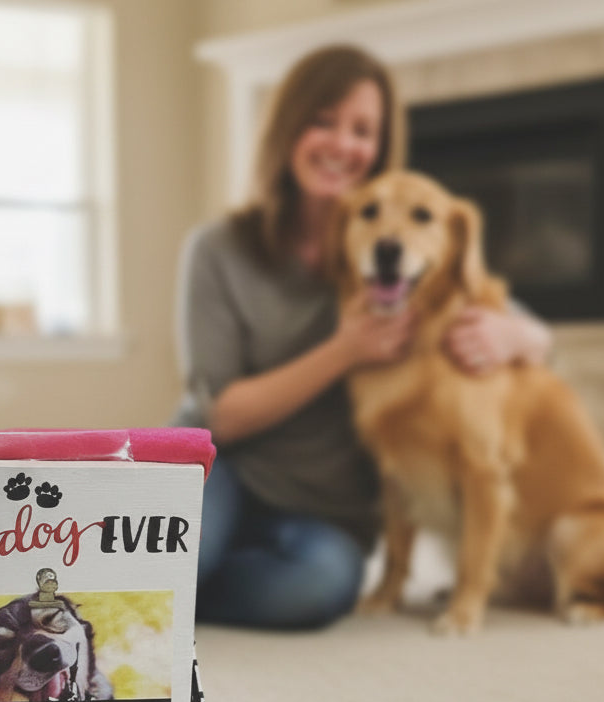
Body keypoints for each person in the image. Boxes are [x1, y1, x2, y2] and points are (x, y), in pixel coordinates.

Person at [172, 44, 551, 629]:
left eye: (363, 130)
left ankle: (173, 588)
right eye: (323, 121)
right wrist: (344, 351)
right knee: (183, 559)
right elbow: (219, 415)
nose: (342, 144)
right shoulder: (217, 249)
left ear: (381, 144)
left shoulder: (401, 249)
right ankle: (172, 575)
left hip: (324, 506)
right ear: (287, 128)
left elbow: (523, 325)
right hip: (224, 466)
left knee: (317, 589)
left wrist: (518, 335)